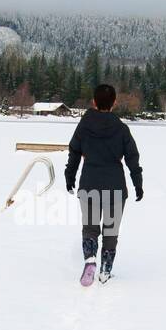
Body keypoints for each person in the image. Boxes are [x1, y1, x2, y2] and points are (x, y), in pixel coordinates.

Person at [64, 83, 143, 285]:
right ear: (114, 103)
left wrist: (70, 175)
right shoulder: (121, 128)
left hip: (90, 183)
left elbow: (74, 150)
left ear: (93, 101)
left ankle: (90, 260)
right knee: (111, 230)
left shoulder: (84, 125)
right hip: (115, 187)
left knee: (90, 228)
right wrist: (137, 182)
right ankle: (105, 270)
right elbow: (132, 157)